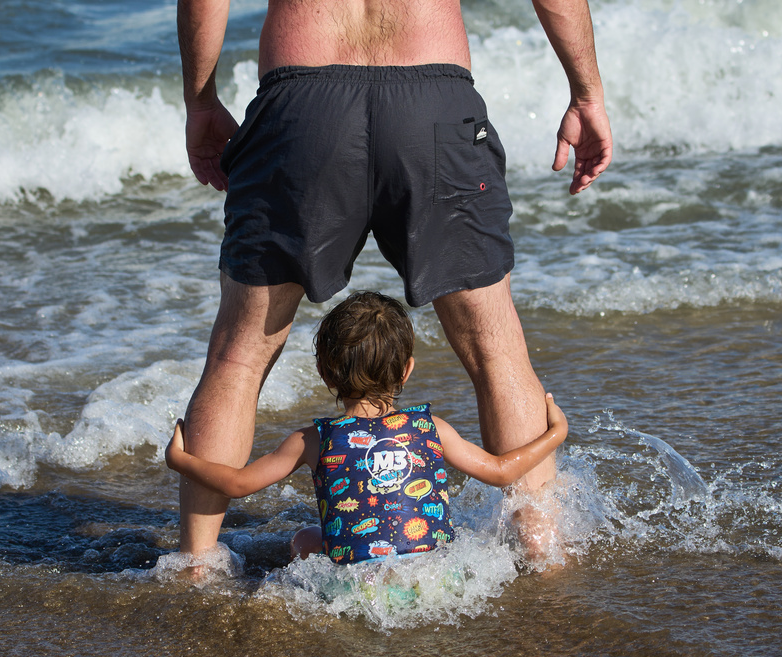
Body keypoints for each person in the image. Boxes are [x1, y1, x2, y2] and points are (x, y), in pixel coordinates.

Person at [175, 0, 611, 567]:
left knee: (238, 357)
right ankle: (542, 550)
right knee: (495, 349)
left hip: (302, 102)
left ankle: (196, 568)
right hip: (433, 99)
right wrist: (585, 92)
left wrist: (201, 101)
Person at [166, 292, 569, 564]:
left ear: (325, 373)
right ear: (407, 370)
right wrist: (554, 434)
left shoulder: (312, 439)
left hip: (356, 582)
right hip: (434, 577)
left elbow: (236, 483)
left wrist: (181, 460)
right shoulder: (432, 428)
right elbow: (503, 471)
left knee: (304, 538)